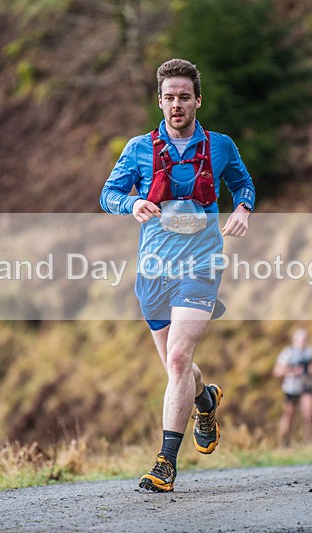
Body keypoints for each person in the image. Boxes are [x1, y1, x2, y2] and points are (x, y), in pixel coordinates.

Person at [100, 58, 256, 492]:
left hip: (202, 266)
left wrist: (243, 208)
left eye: (184, 97)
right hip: (153, 271)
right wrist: (130, 205)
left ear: (198, 100)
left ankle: (165, 464)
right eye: (169, 97)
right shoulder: (137, 148)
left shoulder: (220, 145)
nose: (176, 104)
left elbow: (244, 184)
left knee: (179, 359)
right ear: (160, 100)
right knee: (178, 370)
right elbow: (107, 194)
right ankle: (205, 401)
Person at [273, 328, 312, 445]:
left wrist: (309, 371)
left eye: (305, 340)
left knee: (309, 412)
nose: (304, 343)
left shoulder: (310, 352)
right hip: (291, 388)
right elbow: (277, 371)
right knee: (289, 414)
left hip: (306, 385)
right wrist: (292, 371)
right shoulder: (287, 353)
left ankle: (308, 440)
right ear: (295, 341)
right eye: (302, 340)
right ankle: (284, 440)